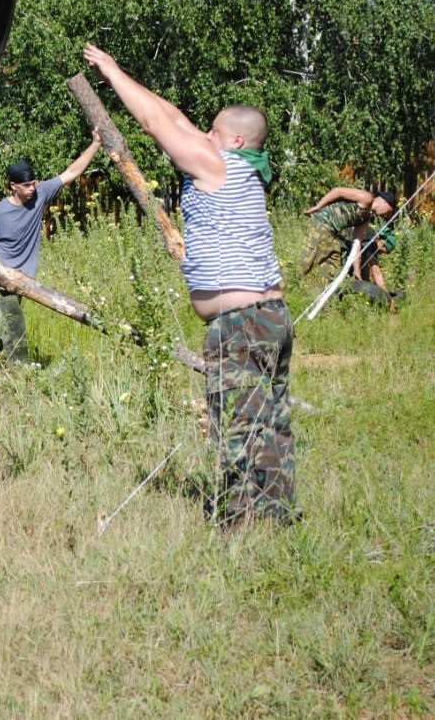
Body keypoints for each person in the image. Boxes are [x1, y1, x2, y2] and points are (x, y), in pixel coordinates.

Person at [83, 42, 296, 526]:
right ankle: (276, 517)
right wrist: (123, 74)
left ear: (235, 140)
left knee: (239, 425)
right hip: (270, 318)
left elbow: (157, 123)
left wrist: (112, 73)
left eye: (214, 130)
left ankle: (240, 527)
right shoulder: (241, 167)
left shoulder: (219, 164)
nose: (204, 134)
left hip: (242, 325)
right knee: (270, 422)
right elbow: (175, 118)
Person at [0, 129, 101, 365]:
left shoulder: (40, 194)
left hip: (21, 276)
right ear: (13, 186)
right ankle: (20, 371)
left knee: (1, 324)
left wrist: (95, 143)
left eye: (33, 183)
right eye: (26, 185)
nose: (32, 188)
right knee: (13, 322)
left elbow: (71, 172)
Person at [299, 186, 397, 285]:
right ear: (385, 202)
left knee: (333, 273)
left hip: (332, 233)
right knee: (304, 264)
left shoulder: (366, 217)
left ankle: (331, 293)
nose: (387, 215)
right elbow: (338, 191)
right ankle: (290, 283)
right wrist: (317, 207)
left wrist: (356, 270)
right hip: (322, 224)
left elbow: (357, 242)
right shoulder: (367, 197)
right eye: (389, 211)